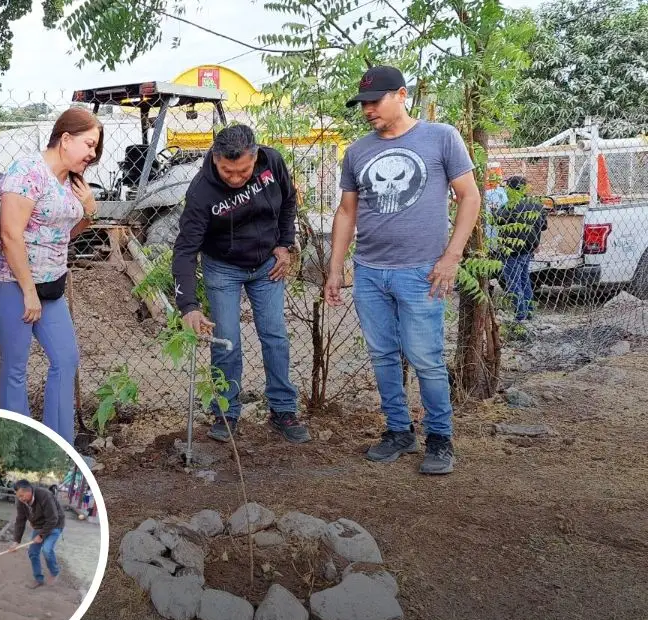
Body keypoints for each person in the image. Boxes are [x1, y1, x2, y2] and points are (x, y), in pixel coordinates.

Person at [324, 66, 481, 476]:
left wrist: (452, 257)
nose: (367, 111)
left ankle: (440, 438)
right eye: (363, 104)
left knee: (426, 358)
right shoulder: (357, 152)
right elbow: (346, 212)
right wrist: (335, 268)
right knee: (382, 357)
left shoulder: (440, 137)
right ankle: (398, 430)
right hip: (371, 272)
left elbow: (469, 197)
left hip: (422, 272)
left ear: (401, 95)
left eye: (375, 102)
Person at [172, 123, 312, 444]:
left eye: (243, 171)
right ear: (215, 159)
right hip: (223, 268)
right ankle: (226, 410)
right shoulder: (201, 191)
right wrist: (189, 306)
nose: (235, 179)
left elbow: (288, 201)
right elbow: (185, 251)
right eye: (227, 171)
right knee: (227, 341)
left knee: (275, 335)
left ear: (256, 156)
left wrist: (285, 244)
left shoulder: (272, 163)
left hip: (267, 266)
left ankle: (282, 409)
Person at [0, 107, 102, 448]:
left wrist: (89, 210)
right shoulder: (26, 172)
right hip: (14, 285)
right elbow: (10, 235)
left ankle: (59, 448)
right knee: (16, 369)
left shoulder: (71, 182)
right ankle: (18, 454)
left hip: (51, 287)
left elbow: (65, 234)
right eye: (89, 144)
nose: (93, 154)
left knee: (66, 359)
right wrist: (28, 292)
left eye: (95, 147)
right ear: (65, 139)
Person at [493, 176, 546, 324]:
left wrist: (493, 211)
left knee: (513, 282)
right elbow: (544, 226)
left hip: (511, 251)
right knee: (524, 280)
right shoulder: (537, 205)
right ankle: (528, 311)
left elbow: (496, 221)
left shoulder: (508, 207)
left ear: (510, 189)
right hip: (528, 249)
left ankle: (520, 315)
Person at [7, 478, 66, 589]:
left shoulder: (45, 495)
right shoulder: (21, 502)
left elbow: (53, 518)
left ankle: (55, 571)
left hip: (55, 524)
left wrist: (41, 535)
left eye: (22, 495)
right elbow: (20, 520)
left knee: (47, 550)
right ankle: (39, 579)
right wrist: (16, 541)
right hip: (39, 526)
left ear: (29, 491)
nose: (20, 499)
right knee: (33, 552)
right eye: (18, 496)